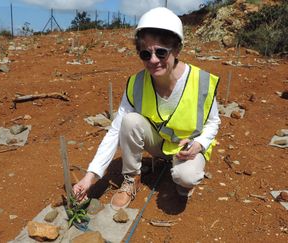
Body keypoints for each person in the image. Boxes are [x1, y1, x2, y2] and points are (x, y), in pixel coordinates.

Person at [73, 7, 220, 210]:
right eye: (145, 53)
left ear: (176, 50)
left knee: (186, 176)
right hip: (158, 144)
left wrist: (200, 144)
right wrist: (90, 177)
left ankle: (183, 178)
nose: (153, 60)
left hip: (187, 149)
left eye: (161, 52)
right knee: (129, 120)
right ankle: (132, 179)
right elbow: (116, 129)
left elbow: (213, 122)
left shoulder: (200, 81)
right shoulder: (136, 83)